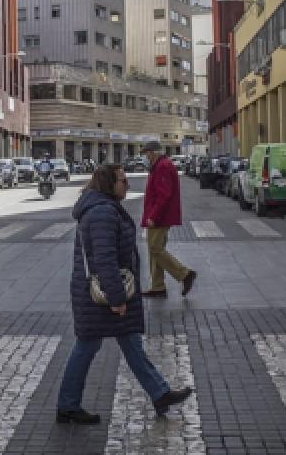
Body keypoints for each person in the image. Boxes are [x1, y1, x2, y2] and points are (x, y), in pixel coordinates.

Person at [56, 164, 193, 425]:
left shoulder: (103, 208)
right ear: (109, 184)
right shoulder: (102, 213)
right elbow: (104, 260)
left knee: (128, 342)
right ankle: (67, 405)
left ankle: (159, 393)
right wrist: (117, 299)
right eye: (122, 181)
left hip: (103, 292)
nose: (127, 185)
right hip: (103, 296)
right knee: (88, 345)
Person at [140, 142, 196, 298]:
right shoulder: (160, 164)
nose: (146, 157)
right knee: (155, 250)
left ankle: (184, 274)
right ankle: (158, 286)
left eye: (147, 154)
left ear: (154, 153)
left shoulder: (163, 166)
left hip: (159, 217)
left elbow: (164, 195)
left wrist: (153, 216)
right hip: (159, 216)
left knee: (154, 248)